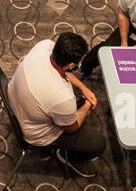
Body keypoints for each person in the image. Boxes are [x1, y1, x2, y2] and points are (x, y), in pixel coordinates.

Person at [6, 32, 106, 176]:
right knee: (98, 143)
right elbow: (71, 127)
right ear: (72, 65)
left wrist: (83, 88)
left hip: (14, 98)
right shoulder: (62, 97)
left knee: (70, 104)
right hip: (34, 132)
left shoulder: (44, 46)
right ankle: (67, 157)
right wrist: (86, 106)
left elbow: (61, 71)